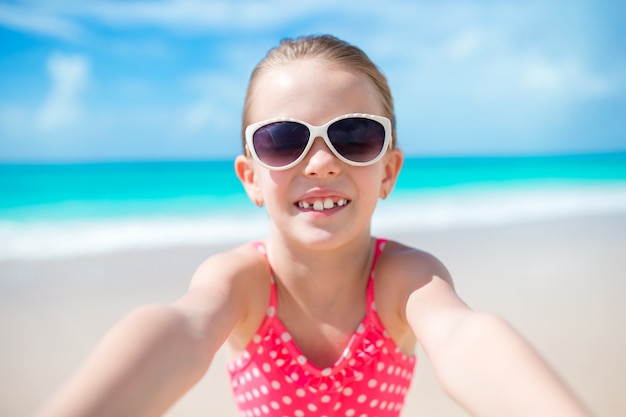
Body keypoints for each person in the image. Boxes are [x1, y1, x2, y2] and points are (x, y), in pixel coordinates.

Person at [35, 34, 593, 417]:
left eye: (354, 136)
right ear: (251, 177)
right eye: (283, 140)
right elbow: (183, 331)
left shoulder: (404, 279)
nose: (321, 161)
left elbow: (463, 338)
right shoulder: (241, 282)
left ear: (388, 171)